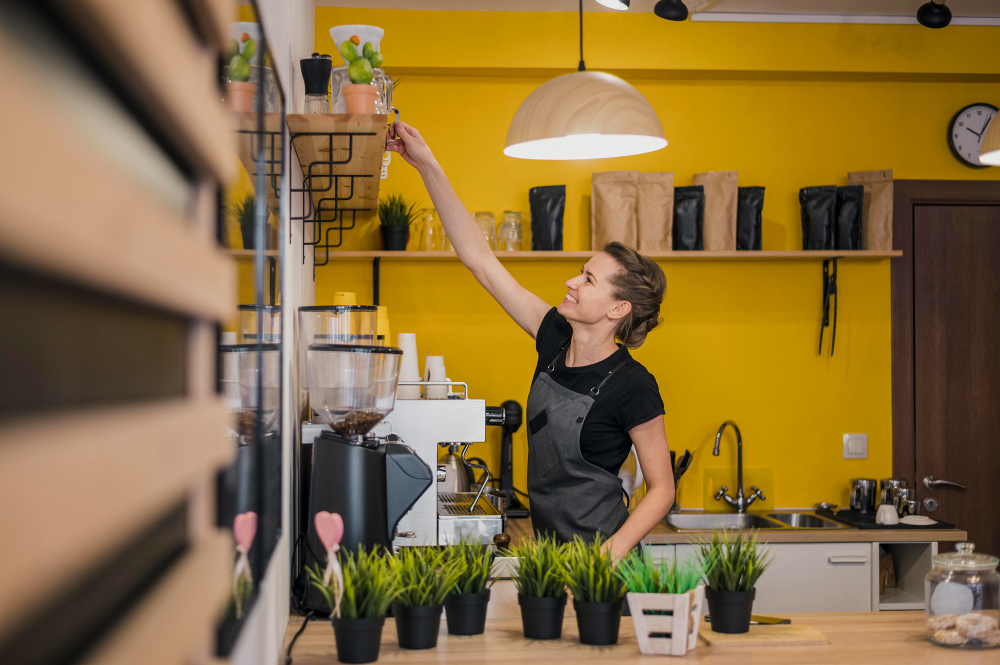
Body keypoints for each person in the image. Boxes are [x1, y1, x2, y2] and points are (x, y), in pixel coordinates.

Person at [387, 122, 674, 559]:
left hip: (604, 568)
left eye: (588, 279)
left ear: (618, 309)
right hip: (550, 557)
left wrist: (606, 558)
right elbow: (480, 259)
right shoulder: (554, 337)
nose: (571, 281)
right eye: (581, 271)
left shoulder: (633, 385)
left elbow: (662, 489)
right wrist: (426, 164)